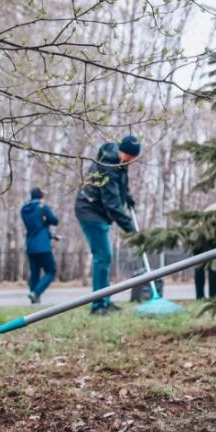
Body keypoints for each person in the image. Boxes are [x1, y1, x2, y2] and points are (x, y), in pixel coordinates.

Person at [74, 135, 140, 315]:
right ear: (122, 151)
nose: (130, 161)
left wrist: (128, 198)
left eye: (133, 159)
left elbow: (122, 186)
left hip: (98, 211)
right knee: (103, 256)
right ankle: (98, 305)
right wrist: (131, 230)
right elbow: (112, 204)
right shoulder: (108, 167)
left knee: (105, 257)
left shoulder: (120, 163)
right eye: (129, 157)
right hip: (90, 210)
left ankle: (105, 301)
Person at [21, 187, 59, 304]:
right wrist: (47, 218)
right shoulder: (43, 207)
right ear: (41, 196)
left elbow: (36, 225)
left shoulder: (24, 209)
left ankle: (34, 300)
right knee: (51, 271)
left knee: (35, 272)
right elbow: (55, 221)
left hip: (30, 245)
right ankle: (36, 292)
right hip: (43, 246)